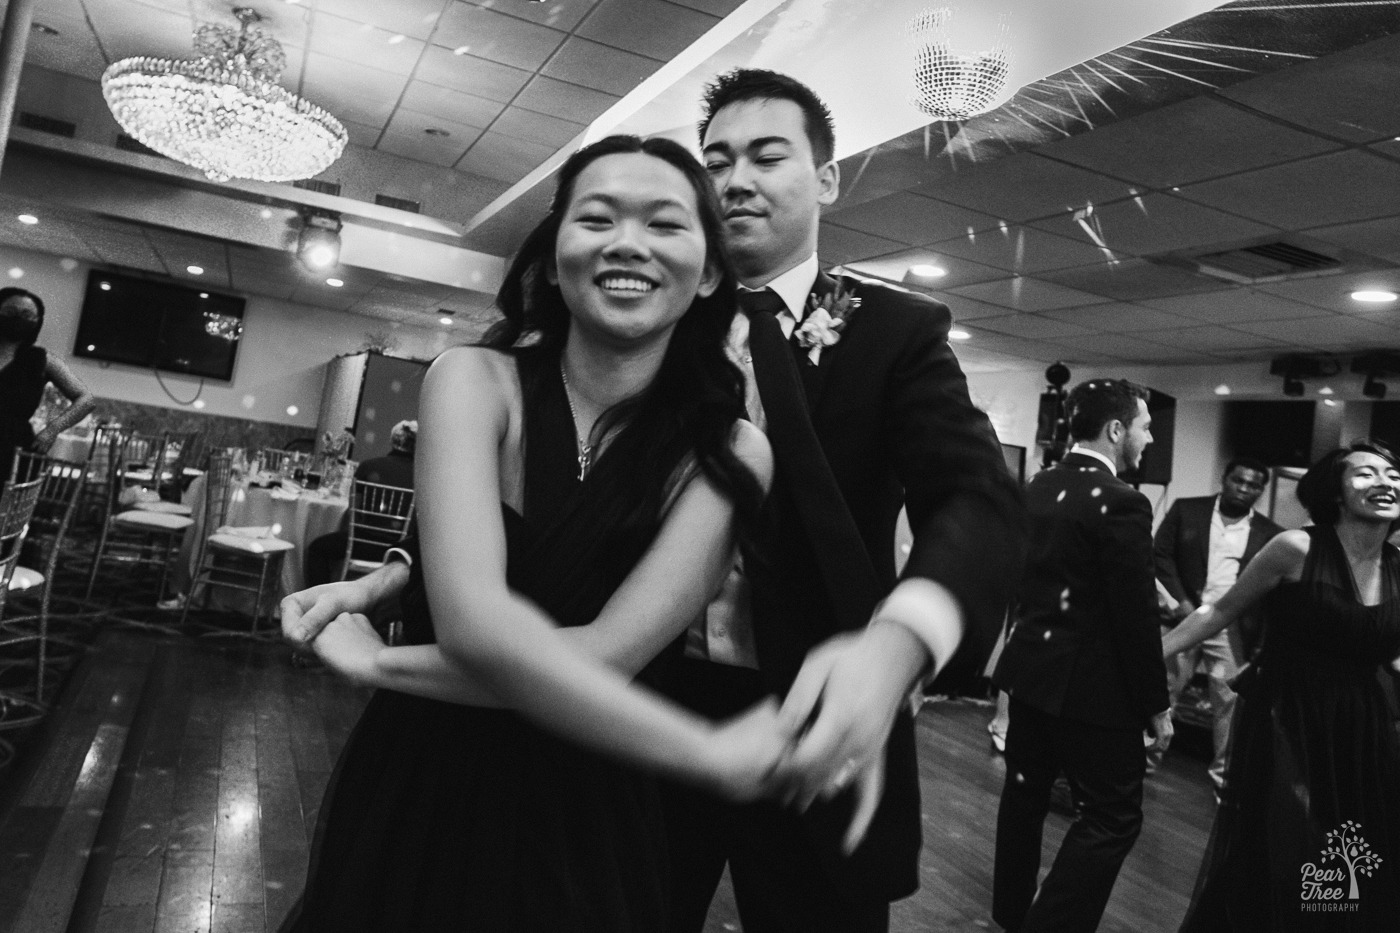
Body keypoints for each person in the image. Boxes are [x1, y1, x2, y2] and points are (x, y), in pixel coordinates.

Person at [282, 69, 1024, 932]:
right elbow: (554, 501)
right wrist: (402, 572)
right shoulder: (610, 336)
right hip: (614, 724)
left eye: (767, 155)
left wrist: (899, 643)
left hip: (806, 723)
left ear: (824, 178)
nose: (737, 178)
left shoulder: (892, 334)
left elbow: (978, 500)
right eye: (717, 160)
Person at [278, 134, 786, 932]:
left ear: (712, 270)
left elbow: (603, 661)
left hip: (589, 801)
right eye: (598, 218)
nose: (628, 243)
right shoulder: (472, 382)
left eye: (664, 224)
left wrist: (380, 660)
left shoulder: (729, 452)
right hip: (425, 777)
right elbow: (477, 623)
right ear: (552, 260)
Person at [1164, 441, 1400, 932]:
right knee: (1291, 840)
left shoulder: (1398, 567)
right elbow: (1222, 609)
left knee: (1354, 844)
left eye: (1393, 474)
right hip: (1289, 715)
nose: (1385, 482)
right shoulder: (1297, 548)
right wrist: (1155, 654)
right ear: (1334, 493)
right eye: (1365, 474)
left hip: (1364, 721)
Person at [992, 378, 1173, 933]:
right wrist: (1157, 708)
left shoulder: (1035, 487)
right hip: (1092, 690)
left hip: (1029, 675)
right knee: (1114, 817)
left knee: (1024, 798)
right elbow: (1133, 617)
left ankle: (1012, 913)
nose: (1146, 440)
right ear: (1116, 429)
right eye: (1144, 427)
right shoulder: (1124, 502)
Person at [1153, 457, 1282, 789]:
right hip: (1181, 617)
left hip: (1231, 629)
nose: (1244, 489)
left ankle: (1223, 779)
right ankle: (1142, 761)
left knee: (1229, 701)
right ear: (1225, 479)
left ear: (1261, 490)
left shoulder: (1271, 534)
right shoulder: (1187, 510)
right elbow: (1160, 556)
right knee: (1161, 690)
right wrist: (1182, 603)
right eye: (1238, 481)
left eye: (1254, 485)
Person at [302, 419, 417, 588]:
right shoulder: (420, 477)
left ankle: (324, 599)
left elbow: (353, 511)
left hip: (361, 543)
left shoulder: (368, 466)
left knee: (317, 549)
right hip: (397, 551)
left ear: (392, 440)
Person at [0, 287, 95, 484]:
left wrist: (53, 429)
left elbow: (86, 399)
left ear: (37, 322)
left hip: (11, 451)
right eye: (10, 312)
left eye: (27, 315)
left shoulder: (43, 360)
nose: (17, 318)